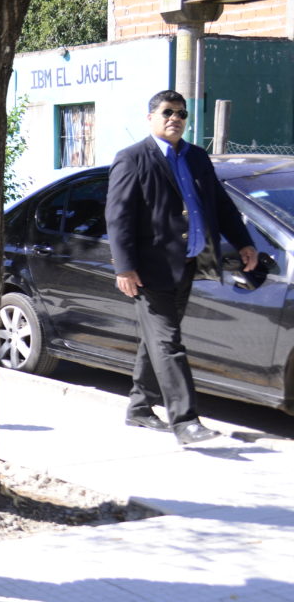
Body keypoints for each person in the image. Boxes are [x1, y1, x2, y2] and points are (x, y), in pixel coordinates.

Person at [106, 89, 258, 445]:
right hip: (148, 270)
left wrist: (244, 242)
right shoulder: (132, 159)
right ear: (151, 118)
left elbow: (220, 205)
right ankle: (185, 421)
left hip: (188, 264)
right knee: (168, 342)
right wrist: (124, 267)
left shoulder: (196, 158)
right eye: (167, 112)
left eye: (181, 114)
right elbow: (118, 217)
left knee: (156, 340)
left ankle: (140, 408)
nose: (175, 118)